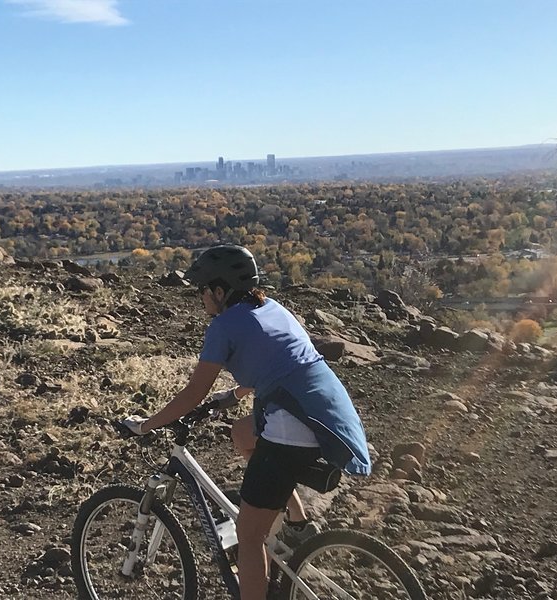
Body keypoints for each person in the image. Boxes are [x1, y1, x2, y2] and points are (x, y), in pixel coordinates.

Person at [123, 244, 371, 600]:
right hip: (326, 412)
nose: (201, 297)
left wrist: (146, 425)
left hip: (292, 424)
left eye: (204, 290)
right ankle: (296, 523)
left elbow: (193, 393)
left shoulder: (223, 326)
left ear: (220, 291)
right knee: (242, 432)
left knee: (249, 535)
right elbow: (279, 361)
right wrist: (234, 395)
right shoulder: (272, 309)